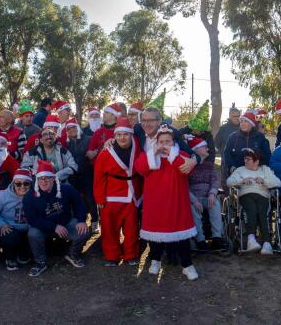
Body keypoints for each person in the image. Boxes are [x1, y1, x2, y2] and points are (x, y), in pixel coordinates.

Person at [135, 124, 199, 281]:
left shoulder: (182, 155)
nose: (164, 145)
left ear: (174, 142)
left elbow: (187, 169)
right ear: (156, 143)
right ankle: (155, 261)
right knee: (155, 235)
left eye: (168, 141)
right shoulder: (148, 156)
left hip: (177, 202)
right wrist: (153, 155)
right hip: (155, 203)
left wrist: (173, 155)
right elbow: (141, 169)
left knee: (181, 236)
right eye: (161, 141)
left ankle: (187, 265)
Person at [23, 160, 91, 276]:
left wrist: (81, 220)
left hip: (65, 224)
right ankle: (40, 262)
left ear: (53, 178)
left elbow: (79, 204)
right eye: (40, 179)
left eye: (47, 178)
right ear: (37, 179)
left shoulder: (66, 189)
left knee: (84, 231)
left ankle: (72, 254)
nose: (43, 181)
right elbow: (32, 219)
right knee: (33, 233)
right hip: (44, 228)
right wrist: (53, 226)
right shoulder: (30, 196)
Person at [93, 117, 142, 266]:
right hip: (110, 197)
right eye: (119, 135)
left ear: (131, 135)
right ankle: (112, 255)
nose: (122, 137)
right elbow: (98, 177)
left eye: (126, 134)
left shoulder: (137, 147)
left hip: (132, 196)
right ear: (114, 136)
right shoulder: (105, 153)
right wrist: (100, 199)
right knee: (109, 228)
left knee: (132, 228)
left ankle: (131, 254)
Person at [226, 148, 281, 254]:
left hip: (262, 195)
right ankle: (251, 239)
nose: (245, 161)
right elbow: (229, 182)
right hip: (246, 195)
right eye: (245, 158)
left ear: (256, 161)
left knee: (262, 212)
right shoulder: (240, 170)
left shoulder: (265, 170)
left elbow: (278, 182)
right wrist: (241, 181)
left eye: (248, 159)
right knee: (251, 209)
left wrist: (264, 181)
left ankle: (267, 243)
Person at [0, 169, 33, 271]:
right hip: (10, 228)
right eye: (18, 184)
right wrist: (1, 224)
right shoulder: (4, 195)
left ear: (31, 184)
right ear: (13, 183)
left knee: (34, 234)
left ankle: (22, 254)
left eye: (26, 183)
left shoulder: (34, 195)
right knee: (11, 236)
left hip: (28, 228)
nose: (22, 187)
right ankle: (9, 258)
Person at [185, 135, 225, 252]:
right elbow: (185, 186)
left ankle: (217, 237)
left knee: (216, 204)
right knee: (193, 209)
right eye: (204, 147)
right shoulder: (189, 166)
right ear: (196, 150)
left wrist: (212, 193)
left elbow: (214, 181)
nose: (208, 149)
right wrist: (194, 200)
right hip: (194, 198)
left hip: (208, 197)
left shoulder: (209, 165)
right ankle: (200, 239)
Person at [133, 107, 200, 170]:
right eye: (143, 120)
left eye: (150, 120)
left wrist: (193, 161)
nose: (146, 124)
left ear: (159, 121)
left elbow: (193, 154)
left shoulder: (171, 133)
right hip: (146, 177)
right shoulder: (138, 130)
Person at [65, 118, 97, 232]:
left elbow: (96, 150)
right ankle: (80, 222)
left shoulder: (88, 139)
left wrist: (94, 153)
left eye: (73, 127)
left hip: (88, 174)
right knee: (75, 200)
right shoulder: (66, 144)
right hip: (73, 177)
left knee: (90, 199)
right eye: (69, 129)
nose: (71, 130)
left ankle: (95, 223)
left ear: (78, 128)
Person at [223, 111, 271, 180]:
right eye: (241, 121)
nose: (242, 124)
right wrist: (231, 166)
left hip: (256, 172)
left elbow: (267, 155)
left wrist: (259, 167)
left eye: (246, 121)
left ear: (251, 124)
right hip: (237, 172)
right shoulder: (232, 137)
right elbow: (227, 154)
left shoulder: (260, 137)